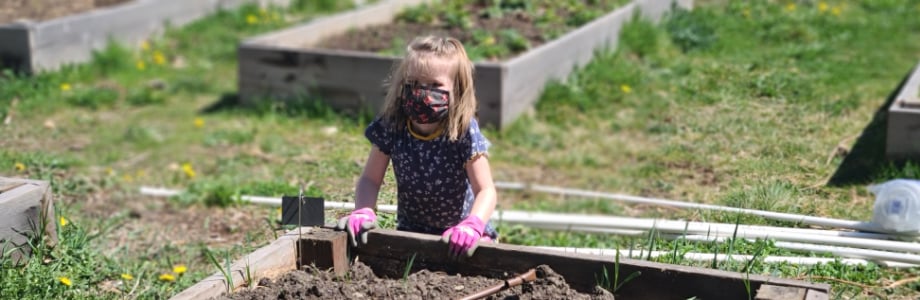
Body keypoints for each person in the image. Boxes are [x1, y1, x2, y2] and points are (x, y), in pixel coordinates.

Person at [336, 35, 498, 259]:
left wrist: (473, 225)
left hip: (461, 238)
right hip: (411, 233)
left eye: (435, 85)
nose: (423, 93)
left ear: (457, 89)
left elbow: (486, 190)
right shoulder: (393, 124)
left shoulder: (462, 130)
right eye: (414, 83)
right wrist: (364, 210)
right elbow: (370, 179)